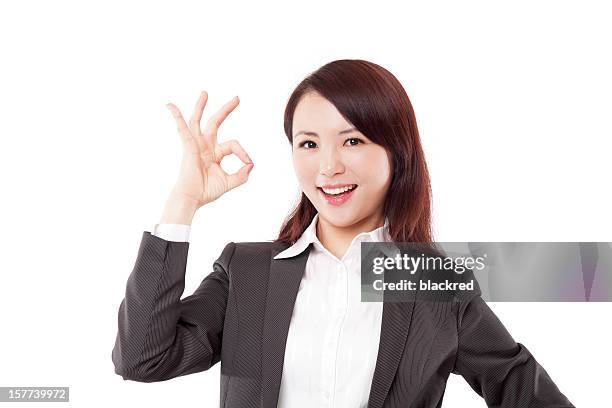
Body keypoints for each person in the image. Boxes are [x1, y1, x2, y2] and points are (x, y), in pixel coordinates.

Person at [111, 59, 575, 407]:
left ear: (397, 152)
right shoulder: (247, 271)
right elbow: (141, 359)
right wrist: (182, 202)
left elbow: (524, 391)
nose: (328, 166)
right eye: (308, 143)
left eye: (352, 140)